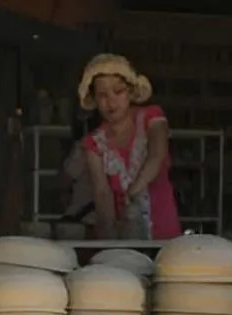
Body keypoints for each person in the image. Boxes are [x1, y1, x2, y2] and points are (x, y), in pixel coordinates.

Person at [77, 53, 182, 241]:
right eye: (102, 95)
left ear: (130, 92)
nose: (111, 101)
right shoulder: (94, 143)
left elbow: (157, 155)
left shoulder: (152, 117)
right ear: (94, 99)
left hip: (164, 228)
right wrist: (110, 238)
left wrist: (134, 190)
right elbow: (102, 193)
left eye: (118, 92)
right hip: (126, 233)